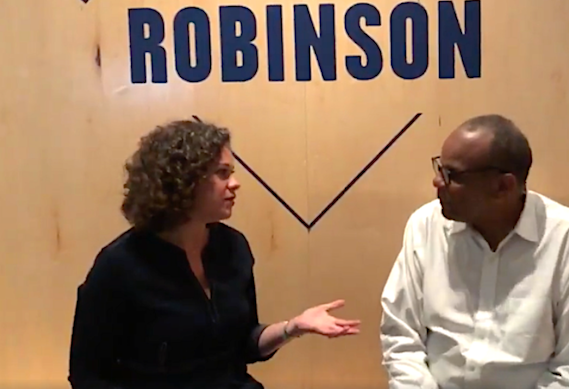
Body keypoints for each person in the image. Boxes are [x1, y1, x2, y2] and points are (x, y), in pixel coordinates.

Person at [68, 117, 361, 389]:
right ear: (184, 180)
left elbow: (244, 344)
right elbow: (87, 376)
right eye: (222, 174)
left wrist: (293, 327)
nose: (235, 184)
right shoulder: (119, 266)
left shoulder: (233, 247)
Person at [379, 114, 569, 389]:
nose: (437, 182)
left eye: (451, 175)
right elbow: (401, 337)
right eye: (439, 168)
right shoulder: (425, 226)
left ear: (503, 186)